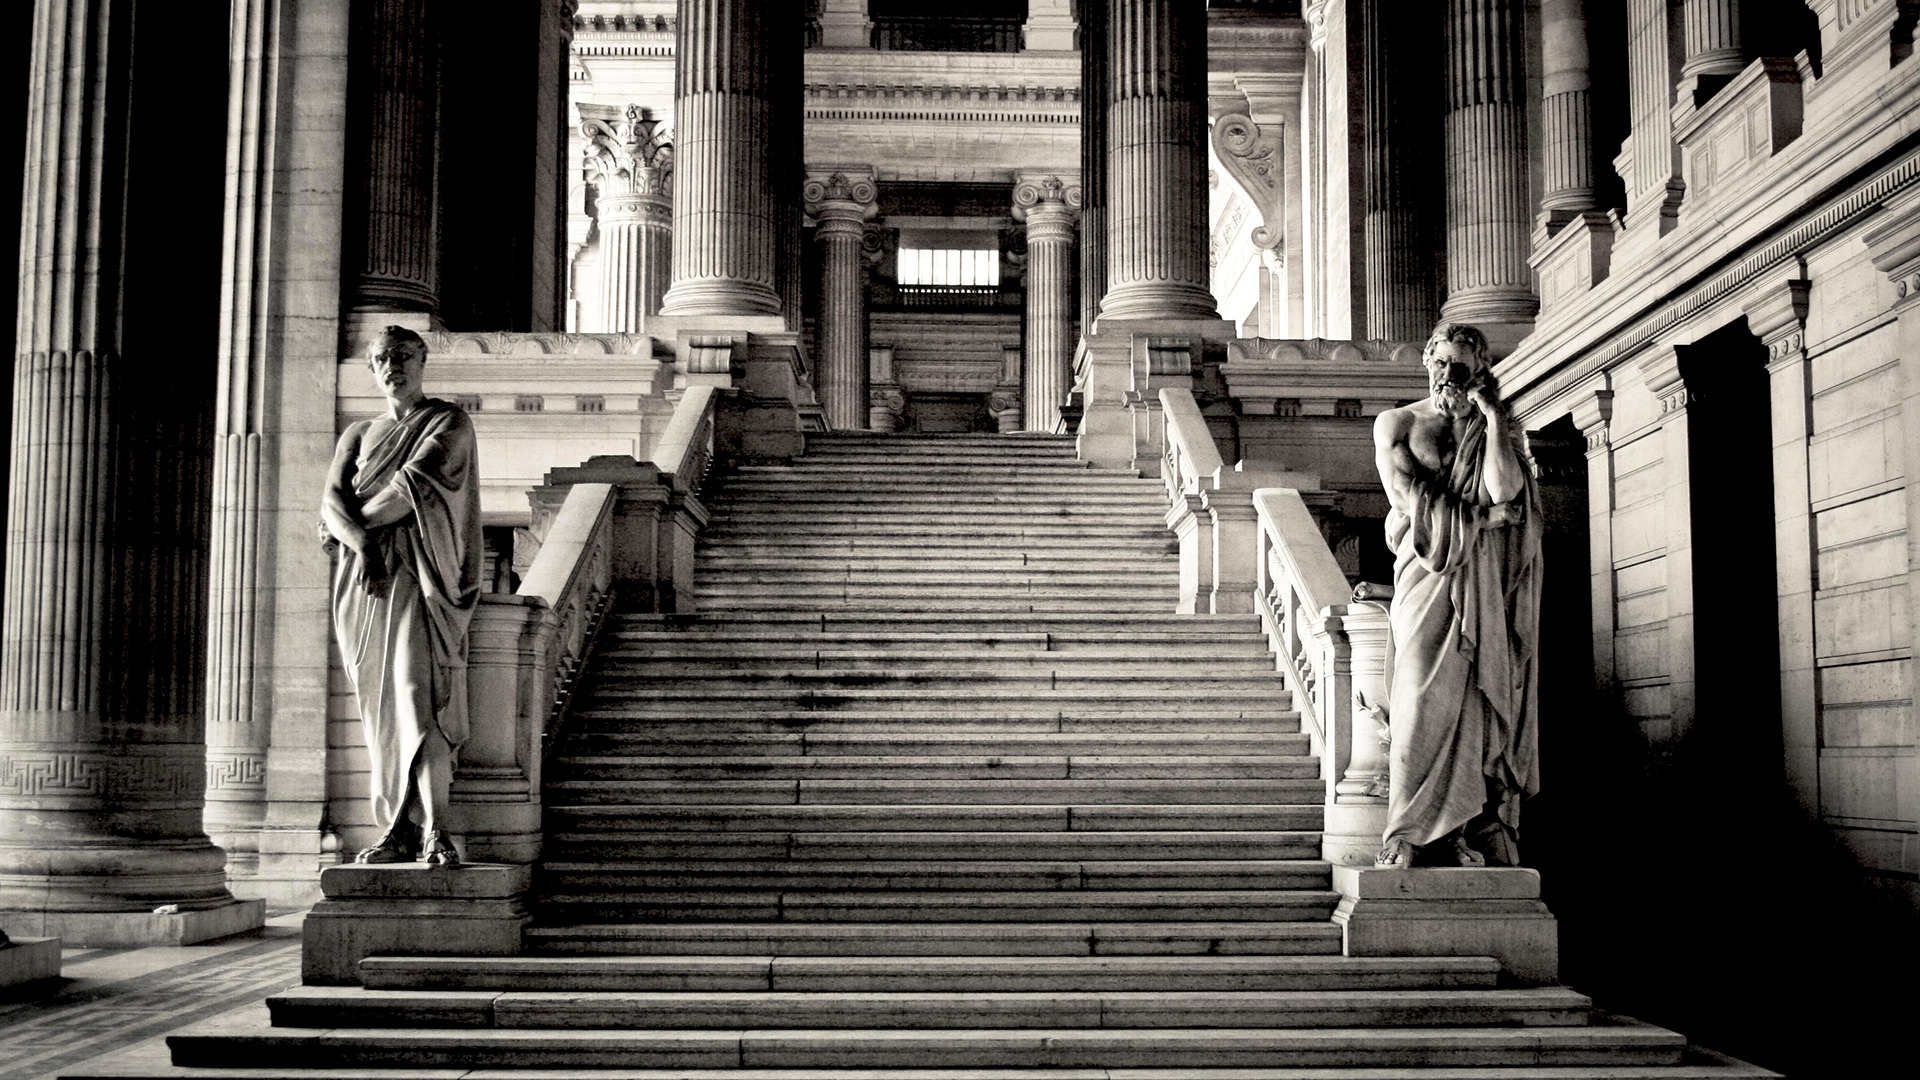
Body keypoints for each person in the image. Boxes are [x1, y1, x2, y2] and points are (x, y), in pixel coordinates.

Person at [1370, 321, 1543, 868]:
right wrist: (1484, 519)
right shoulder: (1398, 422)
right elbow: (1406, 499)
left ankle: (1455, 831)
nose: (1448, 374)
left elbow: (1505, 489)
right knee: (1418, 696)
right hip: (1426, 575)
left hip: (1481, 581)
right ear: (1427, 363)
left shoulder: (1490, 427)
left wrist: (1491, 418)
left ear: (1478, 370)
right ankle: (1403, 832)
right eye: (1441, 362)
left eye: (1461, 366)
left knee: (1469, 704)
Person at [321, 326, 482, 866]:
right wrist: (362, 543)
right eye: (382, 358)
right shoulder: (357, 433)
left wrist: (351, 531)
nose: (393, 365)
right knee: (381, 714)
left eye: (403, 355)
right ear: (371, 368)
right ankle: (396, 830)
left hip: (419, 575)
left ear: (422, 360)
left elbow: (408, 491)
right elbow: (329, 501)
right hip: (364, 585)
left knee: (417, 698)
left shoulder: (448, 422)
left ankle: (436, 829)